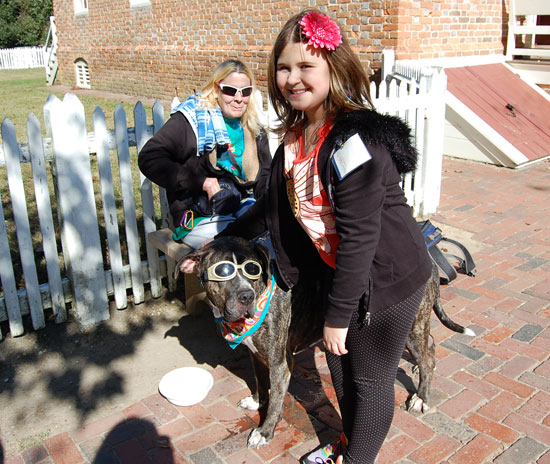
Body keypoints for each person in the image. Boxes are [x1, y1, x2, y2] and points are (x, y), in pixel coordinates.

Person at [181, 9, 432, 464]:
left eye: (306, 66)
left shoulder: (355, 139)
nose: (292, 78)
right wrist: (218, 244)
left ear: (333, 69)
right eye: (283, 67)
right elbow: (270, 207)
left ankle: (359, 458)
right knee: (340, 369)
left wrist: (336, 316)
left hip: (388, 278)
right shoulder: (297, 134)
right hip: (343, 277)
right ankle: (351, 442)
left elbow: (359, 236)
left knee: (370, 380)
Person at [138, 59, 272, 248]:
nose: (239, 98)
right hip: (198, 214)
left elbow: (265, 177)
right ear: (216, 90)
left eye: (246, 91)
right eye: (230, 90)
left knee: (273, 240)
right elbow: (149, 157)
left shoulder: (252, 128)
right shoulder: (193, 121)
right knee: (231, 250)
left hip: (241, 205)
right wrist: (201, 182)